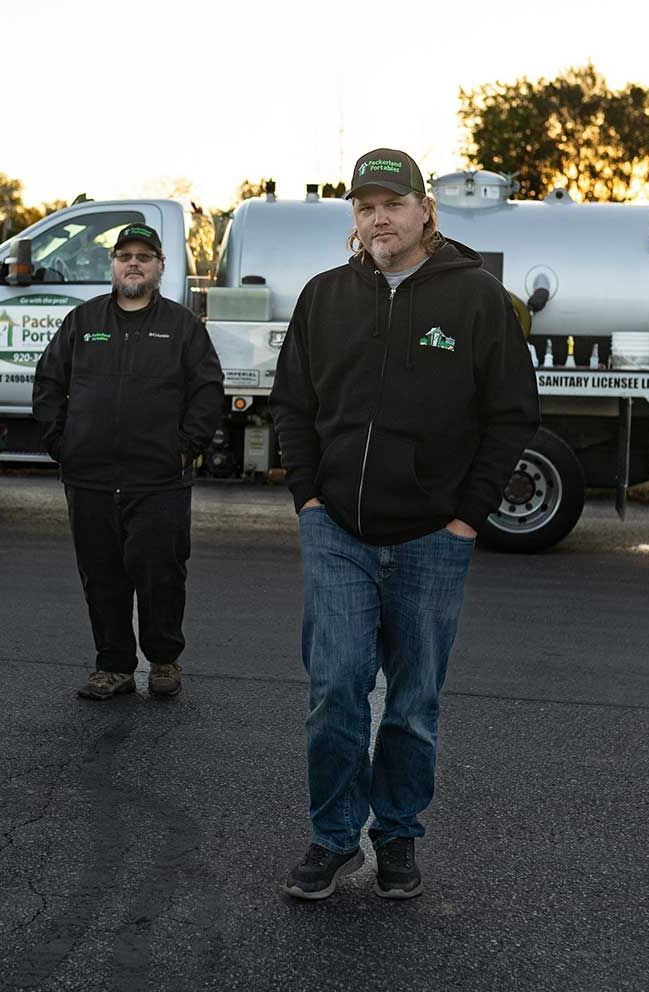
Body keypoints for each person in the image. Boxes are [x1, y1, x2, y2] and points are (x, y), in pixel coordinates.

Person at [270, 148, 540, 899]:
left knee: (414, 706)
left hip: (431, 539)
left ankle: (396, 836)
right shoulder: (325, 296)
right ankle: (333, 839)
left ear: (426, 209)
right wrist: (309, 499)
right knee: (334, 691)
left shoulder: (477, 299)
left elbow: (512, 413)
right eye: (364, 207)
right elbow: (291, 403)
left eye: (391, 203)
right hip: (338, 533)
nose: (378, 218)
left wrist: (466, 519)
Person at [31, 222, 224, 701]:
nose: (133, 263)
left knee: (161, 572)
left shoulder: (182, 327)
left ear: (160, 266)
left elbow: (208, 391)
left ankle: (163, 661)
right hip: (90, 477)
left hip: (158, 478)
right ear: (113, 266)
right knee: (102, 575)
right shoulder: (83, 322)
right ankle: (113, 666)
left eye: (143, 255)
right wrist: (62, 442)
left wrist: (185, 447)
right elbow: (48, 383)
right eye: (124, 256)